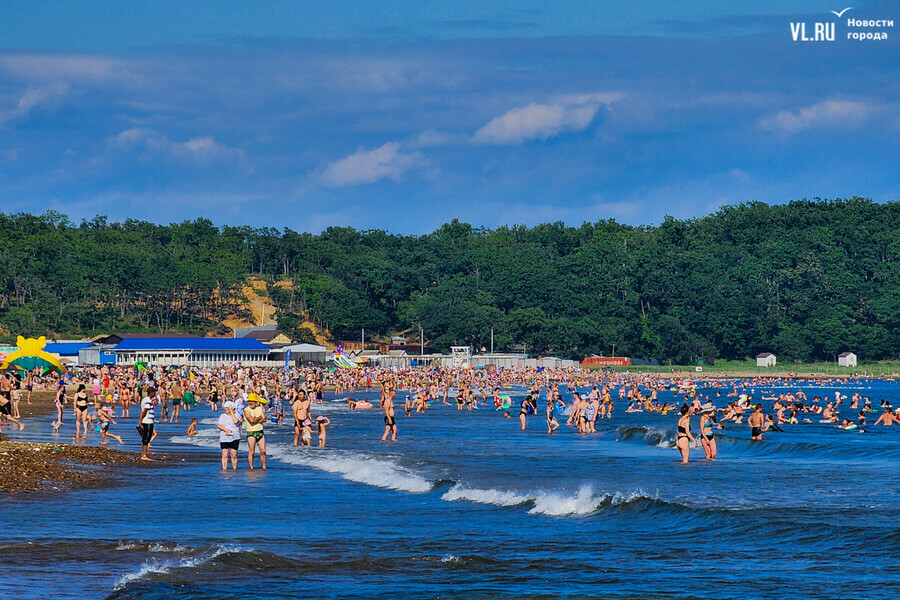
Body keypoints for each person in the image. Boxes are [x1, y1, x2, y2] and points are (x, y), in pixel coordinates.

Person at [244, 393, 267, 469]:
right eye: (249, 401)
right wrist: (259, 417)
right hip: (251, 432)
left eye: (252, 401)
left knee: (263, 451)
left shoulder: (259, 408)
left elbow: (264, 419)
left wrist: (257, 419)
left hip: (260, 431)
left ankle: (263, 466)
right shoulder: (246, 410)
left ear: (255, 402)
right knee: (252, 451)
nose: (250, 403)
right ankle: (251, 467)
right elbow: (251, 420)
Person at [217, 400, 241, 470]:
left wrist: (231, 412)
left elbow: (236, 421)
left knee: (234, 454)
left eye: (227, 409)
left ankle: (234, 469)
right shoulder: (222, 416)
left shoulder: (237, 415)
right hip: (224, 437)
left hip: (235, 437)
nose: (226, 410)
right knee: (225, 453)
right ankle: (224, 469)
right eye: (226, 409)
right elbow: (219, 425)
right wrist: (226, 430)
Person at [138, 386, 157, 461]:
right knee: (146, 438)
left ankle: (144, 454)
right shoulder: (147, 400)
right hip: (147, 421)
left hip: (147, 421)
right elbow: (145, 410)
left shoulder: (145, 399)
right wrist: (141, 420)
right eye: (154, 392)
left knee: (145, 437)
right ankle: (144, 455)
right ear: (151, 393)